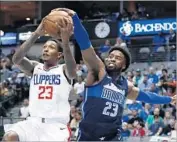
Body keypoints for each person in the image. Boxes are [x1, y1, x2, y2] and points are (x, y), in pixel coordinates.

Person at [55, 8, 176, 141]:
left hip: (113, 137)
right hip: (89, 136)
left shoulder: (126, 86)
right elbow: (85, 44)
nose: (112, 58)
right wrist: (75, 19)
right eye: (111, 56)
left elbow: (148, 97)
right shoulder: (97, 72)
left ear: (124, 65)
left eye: (117, 58)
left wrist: (169, 99)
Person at [2, 19, 77, 141]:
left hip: (56, 126)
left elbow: (72, 72)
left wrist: (65, 42)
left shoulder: (63, 70)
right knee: (10, 136)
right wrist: (36, 34)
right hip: (33, 122)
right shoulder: (35, 67)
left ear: (59, 55)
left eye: (51, 47)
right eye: (45, 47)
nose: (46, 49)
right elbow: (16, 60)